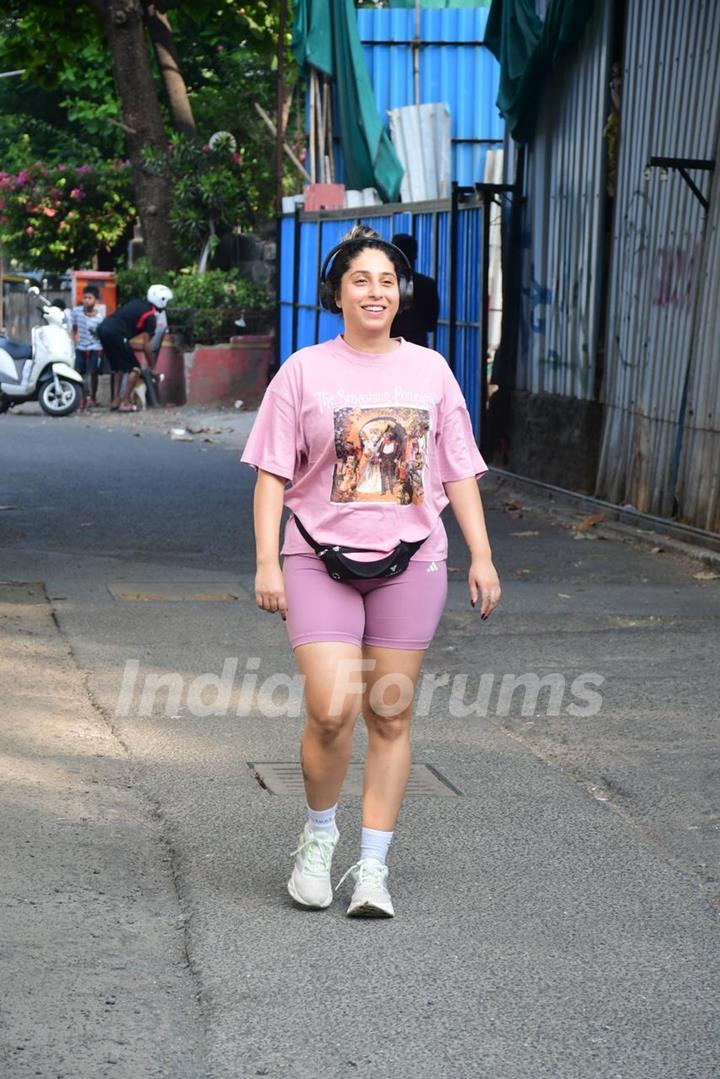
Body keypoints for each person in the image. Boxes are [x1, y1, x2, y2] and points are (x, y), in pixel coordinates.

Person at [241, 225, 501, 919]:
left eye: (387, 281)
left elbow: (459, 469)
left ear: (402, 294)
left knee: (389, 711)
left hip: (411, 562)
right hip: (316, 558)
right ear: (337, 292)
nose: (376, 292)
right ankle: (319, 838)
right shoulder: (302, 371)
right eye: (361, 279)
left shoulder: (430, 371)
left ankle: (374, 868)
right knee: (332, 707)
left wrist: (481, 553)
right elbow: (272, 475)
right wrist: (267, 559)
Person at [96, 284, 173, 412]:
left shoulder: (137, 302)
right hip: (117, 334)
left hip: (103, 329)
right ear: (162, 301)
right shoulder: (150, 317)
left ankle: (115, 400)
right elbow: (146, 345)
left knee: (117, 368)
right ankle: (125, 402)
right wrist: (153, 366)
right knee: (135, 368)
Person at [389, 232, 440, 348]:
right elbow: (431, 325)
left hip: (388, 349)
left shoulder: (384, 285)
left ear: (392, 255)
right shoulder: (428, 284)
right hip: (418, 347)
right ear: (416, 255)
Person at [71, 285, 104, 407]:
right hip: (80, 347)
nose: (86, 300)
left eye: (89, 298)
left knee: (93, 372)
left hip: (95, 347)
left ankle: (93, 398)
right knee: (78, 371)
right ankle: (82, 398)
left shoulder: (100, 318)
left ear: (96, 300)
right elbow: (73, 328)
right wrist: (74, 341)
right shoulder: (77, 312)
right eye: (84, 297)